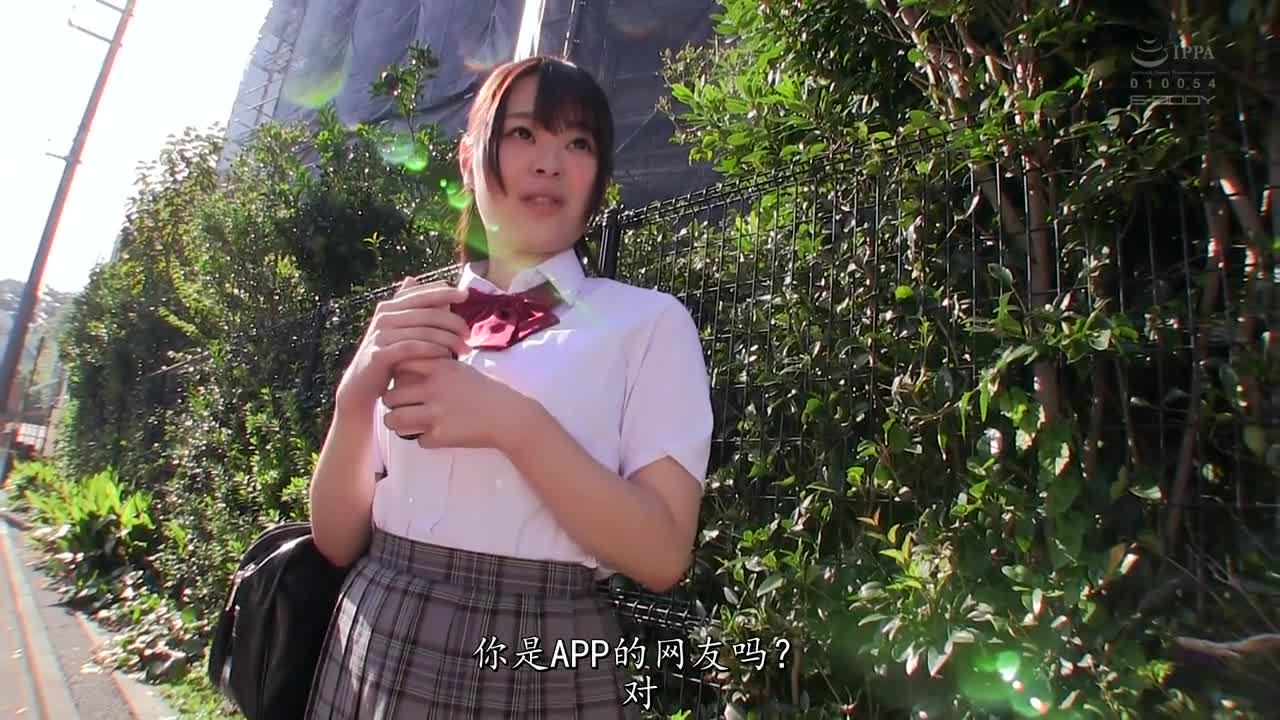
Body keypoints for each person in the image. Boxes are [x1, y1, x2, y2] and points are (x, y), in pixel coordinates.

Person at [305, 55, 714, 719]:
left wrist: (514, 425)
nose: (549, 162)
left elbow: (663, 555)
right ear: (469, 159)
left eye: (577, 143)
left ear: (598, 178)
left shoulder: (648, 324)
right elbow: (336, 539)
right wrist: (353, 400)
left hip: (543, 651)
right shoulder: (415, 315)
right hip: (376, 636)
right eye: (523, 133)